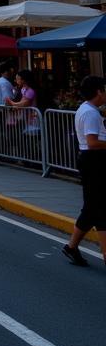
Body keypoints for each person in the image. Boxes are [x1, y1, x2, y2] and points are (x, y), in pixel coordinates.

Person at [63, 76, 106, 268]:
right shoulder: (90, 113)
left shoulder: (87, 109)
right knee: (101, 209)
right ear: (98, 91)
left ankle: (71, 247)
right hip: (94, 161)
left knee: (91, 209)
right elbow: (92, 142)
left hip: (90, 161)